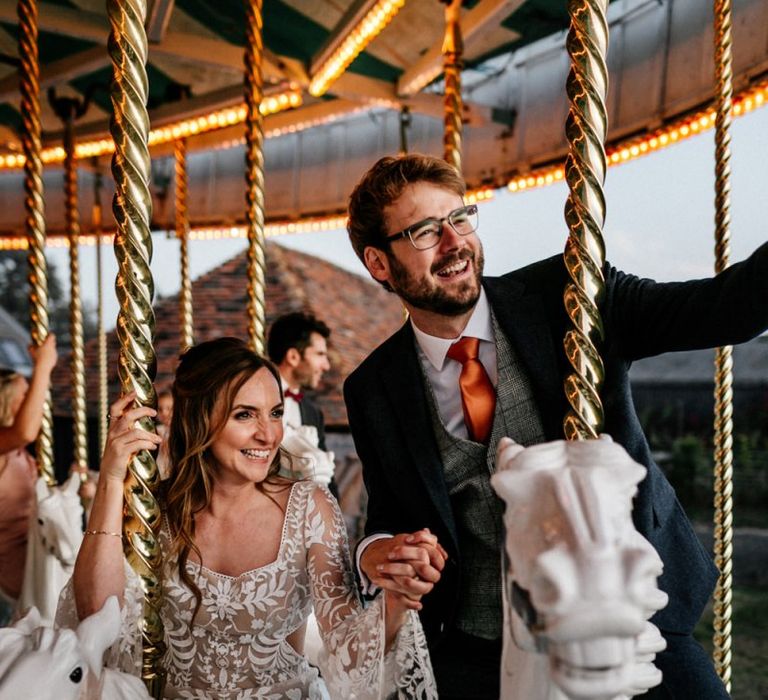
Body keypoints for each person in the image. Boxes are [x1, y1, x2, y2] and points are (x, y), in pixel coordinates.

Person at [343, 153, 768, 699]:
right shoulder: (373, 387)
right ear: (380, 263)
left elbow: (725, 309)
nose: (454, 242)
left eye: (460, 218)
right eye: (424, 231)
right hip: (479, 646)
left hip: (626, 621)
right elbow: (390, 517)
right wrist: (375, 550)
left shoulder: (571, 291)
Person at [59, 337, 438, 698]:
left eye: (274, 414)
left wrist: (397, 601)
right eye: (244, 415)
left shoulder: (309, 508)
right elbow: (97, 618)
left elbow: (347, 653)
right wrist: (111, 479)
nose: (268, 434)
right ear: (200, 420)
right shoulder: (156, 510)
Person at [0, 334, 57, 625]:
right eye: (25, 395)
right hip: (12, 570)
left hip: (36, 554)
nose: (32, 399)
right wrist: (43, 367)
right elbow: (25, 431)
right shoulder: (4, 447)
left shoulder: (20, 455)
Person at [267, 312, 336, 491]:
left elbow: (329, 481)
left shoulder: (313, 413)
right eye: (320, 354)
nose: (326, 365)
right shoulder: (255, 399)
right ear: (293, 357)